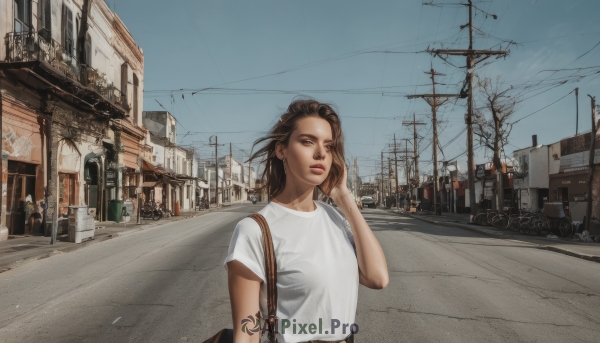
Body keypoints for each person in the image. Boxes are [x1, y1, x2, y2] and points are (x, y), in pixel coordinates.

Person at [224, 100, 389, 343]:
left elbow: (378, 278)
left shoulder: (335, 218)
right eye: (308, 142)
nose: (321, 153)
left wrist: (344, 199)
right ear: (282, 150)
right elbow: (246, 335)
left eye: (329, 146)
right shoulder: (254, 230)